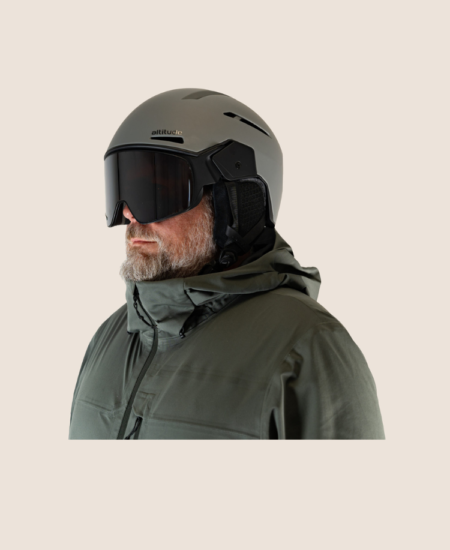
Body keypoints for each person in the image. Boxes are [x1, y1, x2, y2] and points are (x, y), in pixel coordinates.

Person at [69, 88, 385, 440]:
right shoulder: (109, 339)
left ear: (235, 202)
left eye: (157, 191)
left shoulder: (309, 346)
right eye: (123, 189)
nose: (128, 213)